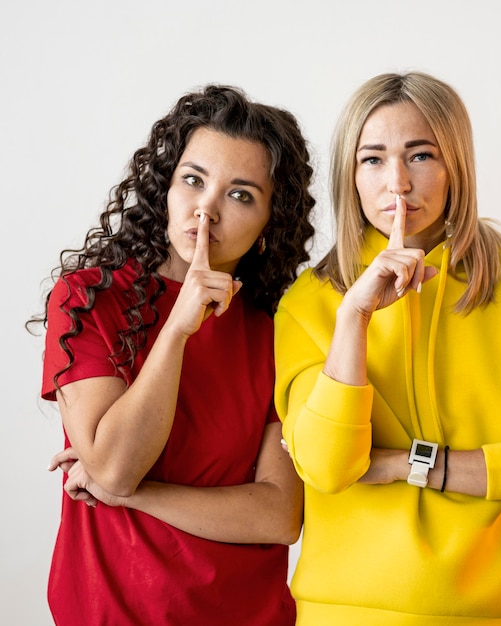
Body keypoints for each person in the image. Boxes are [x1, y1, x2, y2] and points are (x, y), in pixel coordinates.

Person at [274, 71, 501, 625]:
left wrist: (408, 465)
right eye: (373, 160)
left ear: (457, 167)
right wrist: (354, 317)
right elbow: (329, 467)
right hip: (344, 613)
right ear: (349, 176)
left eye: (421, 155)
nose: (397, 183)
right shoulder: (310, 302)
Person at [30, 84, 315, 625]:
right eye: (194, 180)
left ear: (267, 227)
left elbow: (279, 516)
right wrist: (179, 327)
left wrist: (134, 496)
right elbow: (115, 466)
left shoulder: (278, 330)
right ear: (166, 186)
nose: (205, 209)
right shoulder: (88, 299)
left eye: (241, 194)